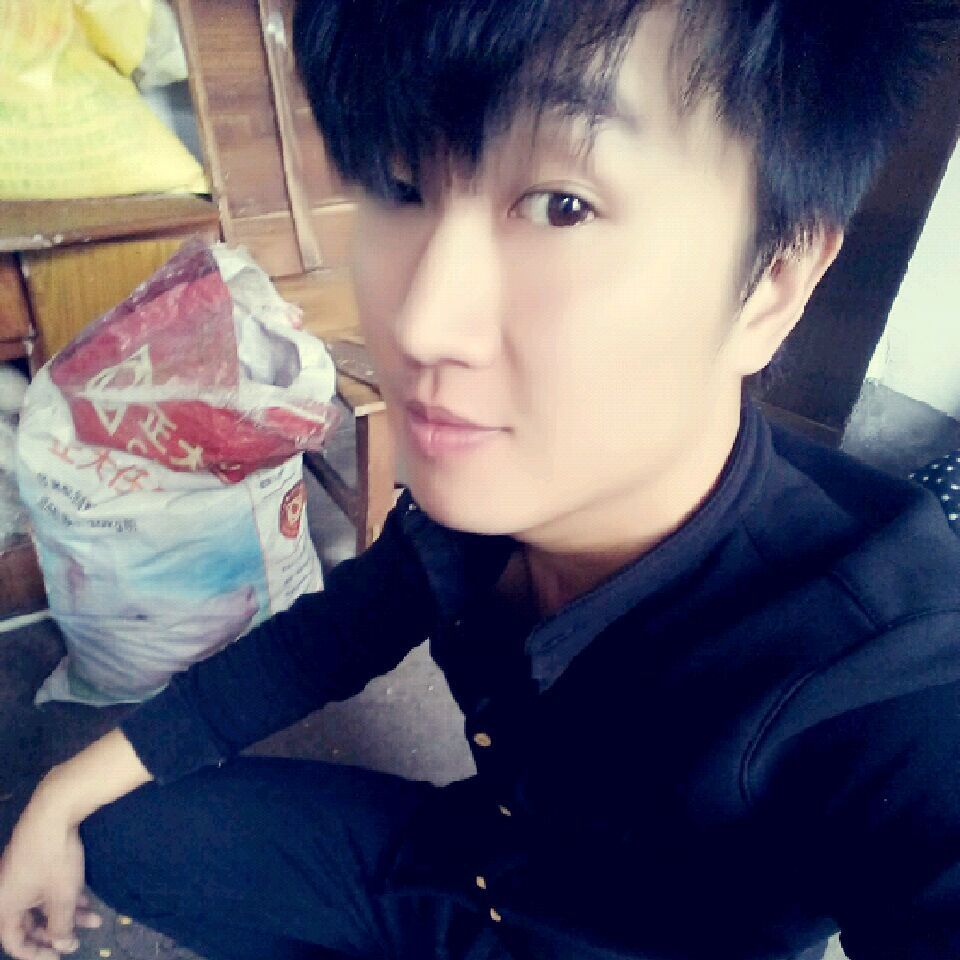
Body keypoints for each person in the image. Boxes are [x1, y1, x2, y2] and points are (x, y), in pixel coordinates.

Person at [2, 1, 959, 958]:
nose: (420, 323)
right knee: (107, 834)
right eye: (403, 185)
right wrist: (64, 789)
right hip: (472, 871)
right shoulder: (481, 504)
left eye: (561, 205)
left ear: (773, 284)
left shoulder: (880, 671)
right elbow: (330, 635)